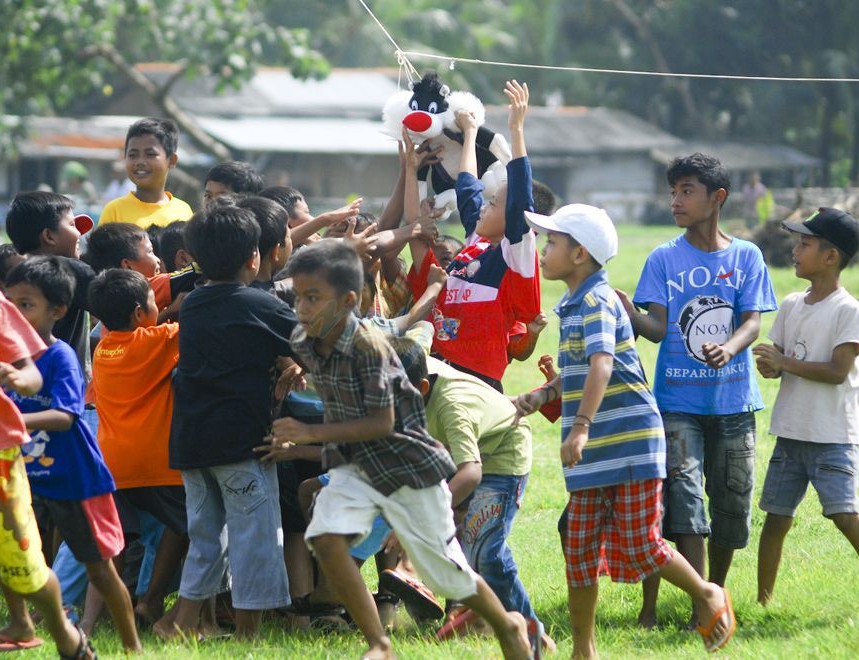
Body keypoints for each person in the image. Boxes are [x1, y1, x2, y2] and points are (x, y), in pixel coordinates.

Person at [270, 240, 535, 660]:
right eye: (299, 297)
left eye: (313, 298)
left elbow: (383, 422)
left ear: (349, 302)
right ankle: (380, 644)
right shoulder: (310, 335)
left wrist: (307, 431)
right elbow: (285, 302)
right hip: (360, 466)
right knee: (325, 537)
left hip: (407, 467)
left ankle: (508, 623)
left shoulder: (368, 350)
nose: (301, 307)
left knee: (444, 573)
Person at [513, 204, 737, 656]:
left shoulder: (596, 300)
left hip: (629, 443)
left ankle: (707, 592)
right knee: (578, 551)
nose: (543, 249)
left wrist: (579, 427)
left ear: (579, 255)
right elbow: (580, 368)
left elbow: (602, 363)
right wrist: (544, 394)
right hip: (596, 449)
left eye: (552, 242)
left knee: (642, 545)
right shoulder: (573, 304)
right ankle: (584, 649)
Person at [618, 153, 777, 629]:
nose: (676, 201)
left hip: (734, 404)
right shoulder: (663, 258)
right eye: (673, 192)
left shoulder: (746, 255)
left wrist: (729, 349)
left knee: (732, 505)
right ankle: (702, 606)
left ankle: (717, 593)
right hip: (677, 405)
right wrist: (630, 312)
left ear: (717, 198)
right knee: (684, 504)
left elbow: (752, 320)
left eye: (687, 191)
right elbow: (658, 328)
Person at [752, 208, 859, 614]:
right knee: (775, 518)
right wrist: (770, 364)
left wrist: (784, 364)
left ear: (831, 256)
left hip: (832, 434)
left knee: (844, 515)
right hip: (791, 430)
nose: (795, 251)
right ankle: (762, 602)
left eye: (805, 244)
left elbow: (838, 372)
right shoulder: (790, 305)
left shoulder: (847, 310)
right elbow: (781, 360)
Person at [157, 205, 297, 640]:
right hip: (242, 445)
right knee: (254, 536)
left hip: (192, 443)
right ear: (255, 258)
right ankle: (248, 635)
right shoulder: (262, 303)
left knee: (206, 538)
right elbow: (312, 342)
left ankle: (181, 624)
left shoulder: (194, 302)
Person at [3, 257, 141, 653]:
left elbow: (64, 416)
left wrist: (10, 419)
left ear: (58, 310)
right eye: (10, 304)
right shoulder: (4, 359)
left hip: (77, 481)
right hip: (32, 480)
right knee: (13, 556)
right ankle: (30, 627)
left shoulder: (59, 355)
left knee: (100, 570)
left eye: (26, 305)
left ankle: (133, 648)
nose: (15, 314)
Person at [387, 336, 554, 652]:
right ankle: (480, 617)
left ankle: (531, 633)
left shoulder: (451, 406)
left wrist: (424, 513)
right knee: (476, 549)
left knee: (487, 552)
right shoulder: (404, 371)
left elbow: (471, 473)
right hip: (461, 452)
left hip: (502, 455)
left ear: (421, 389)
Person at [405, 80, 540, 392]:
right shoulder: (473, 245)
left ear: (512, 220)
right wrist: (469, 135)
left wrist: (516, 130)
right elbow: (467, 187)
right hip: (436, 370)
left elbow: (520, 199)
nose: (483, 207)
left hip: (476, 382)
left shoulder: (514, 254)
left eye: (492, 204)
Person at [0, 285, 96, 658]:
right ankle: (20, 623)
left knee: (19, 553)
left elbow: (31, 371)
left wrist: (20, 381)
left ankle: (64, 633)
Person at [88, 269, 190, 625]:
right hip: (157, 462)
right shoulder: (158, 340)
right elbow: (193, 323)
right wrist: (180, 306)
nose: (158, 307)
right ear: (138, 313)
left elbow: (139, 334)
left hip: (113, 465)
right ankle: (152, 599)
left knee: (116, 542)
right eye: (153, 302)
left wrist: (160, 312)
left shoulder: (102, 349)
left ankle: (103, 614)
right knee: (188, 526)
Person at [5, 191, 97, 382]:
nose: (80, 233)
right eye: (72, 225)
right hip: (64, 385)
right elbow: (117, 308)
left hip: (22, 382)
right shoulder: (69, 269)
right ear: (49, 236)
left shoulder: (9, 269)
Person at [98, 118, 194, 229]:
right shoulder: (114, 211)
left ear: (171, 160)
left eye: (150, 154)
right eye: (133, 155)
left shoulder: (183, 211)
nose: (140, 162)